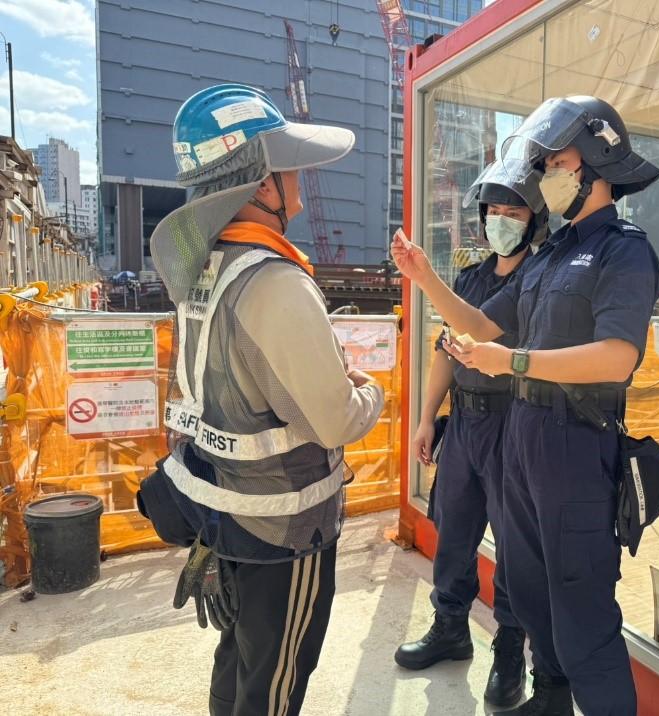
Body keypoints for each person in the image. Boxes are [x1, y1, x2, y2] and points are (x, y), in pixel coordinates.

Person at [392, 95, 659, 716]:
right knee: (533, 595)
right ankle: (549, 699)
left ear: (594, 163)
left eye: (555, 162)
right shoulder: (551, 255)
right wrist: (425, 277)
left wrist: (515, 364)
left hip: (575, 445)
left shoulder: (623, 251)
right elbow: (484, 325)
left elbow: (617, 357)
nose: (546, 176)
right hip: (524, 442)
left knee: (582, 613)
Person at [137, 84, 384, 716]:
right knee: (275, 685)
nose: (299, 176)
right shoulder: (276, 283)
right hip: (284, 526)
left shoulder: (204, 269)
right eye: (287, 164)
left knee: (241, 660)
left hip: (222, 513)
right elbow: (334, 420)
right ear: (261, 184)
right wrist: (368, 390)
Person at [394, 162, 548, 709]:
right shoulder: (473, 276)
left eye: (514, 212)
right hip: (465, 423)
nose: (501, 221)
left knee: (513, 541)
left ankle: (510, 646)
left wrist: (421, 275)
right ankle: (451, 626)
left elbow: (480, 331)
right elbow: (447, 347)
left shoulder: (538, 278)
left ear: (536, 219)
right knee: (453, 529)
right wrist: (426, 416)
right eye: (494, 212)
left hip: (513, 421)